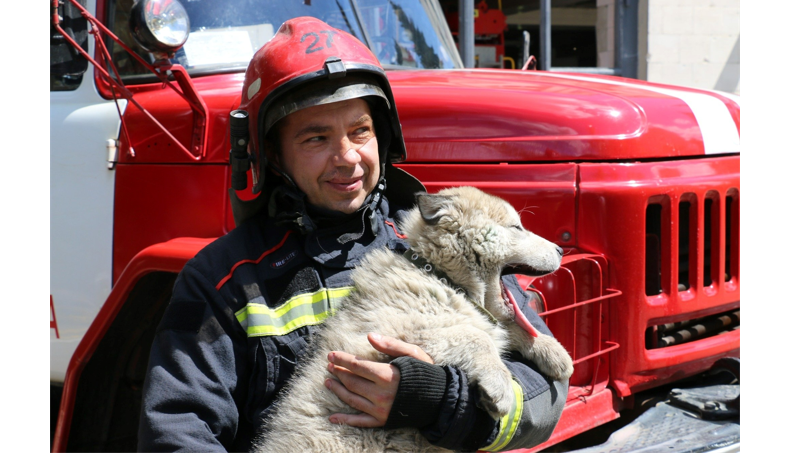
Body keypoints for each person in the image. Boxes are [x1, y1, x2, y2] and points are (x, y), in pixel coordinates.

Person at [138, 16, 568, 453]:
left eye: (360, 131)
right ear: (273, 154)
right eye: (316, 138)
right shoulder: (223, 280)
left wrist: (441, 402)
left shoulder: (446, 243)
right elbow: (177, 431)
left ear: (383, 136)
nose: (346, 157)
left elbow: (545, 399)